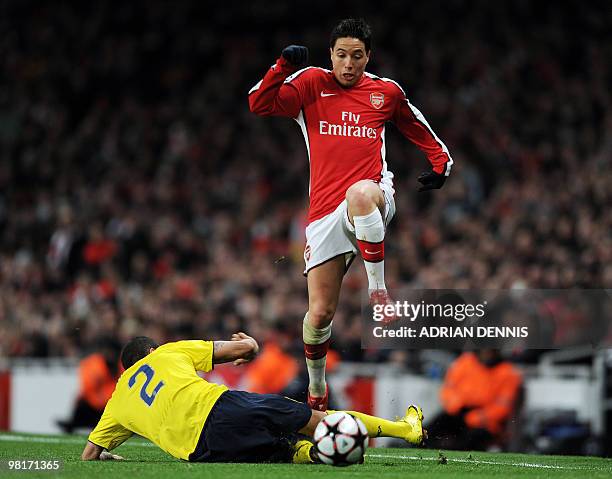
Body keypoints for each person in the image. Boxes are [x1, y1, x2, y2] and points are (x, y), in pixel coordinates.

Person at [248, 18, 453, 410]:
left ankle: (379, 292)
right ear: (331, 55)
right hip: (325, 214)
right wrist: (281, 67)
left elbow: (415, 124)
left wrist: (441, 160)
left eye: (357, 56)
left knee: (360, 193)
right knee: (319, 314)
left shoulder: (384, 92)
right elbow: (258, 103)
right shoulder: (310, 84)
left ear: (368, 57)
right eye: (341, 55)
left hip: (373, 195)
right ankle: (317, 389)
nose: (348, 64)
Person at [81, 333, 425, 463]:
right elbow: (246, 348)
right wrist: (249, 345)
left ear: (126, 371)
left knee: (283, 452)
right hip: (219, 408)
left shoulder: (117, 402)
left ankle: (321, 456)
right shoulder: (167, 352)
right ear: (151, 351)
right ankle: (404, 430)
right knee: (316, 419)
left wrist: (109, 459)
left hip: (202, 453)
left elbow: (90, 455)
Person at [426, 350, 523, 451]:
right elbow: (448, 388)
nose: (487, 353)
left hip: (486, 421)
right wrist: (454, 404)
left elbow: (503, 406)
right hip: (459, 410)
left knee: (470, 440)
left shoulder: (508, 372)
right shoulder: (465, 362)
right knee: (431, 429)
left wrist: (481, 416)